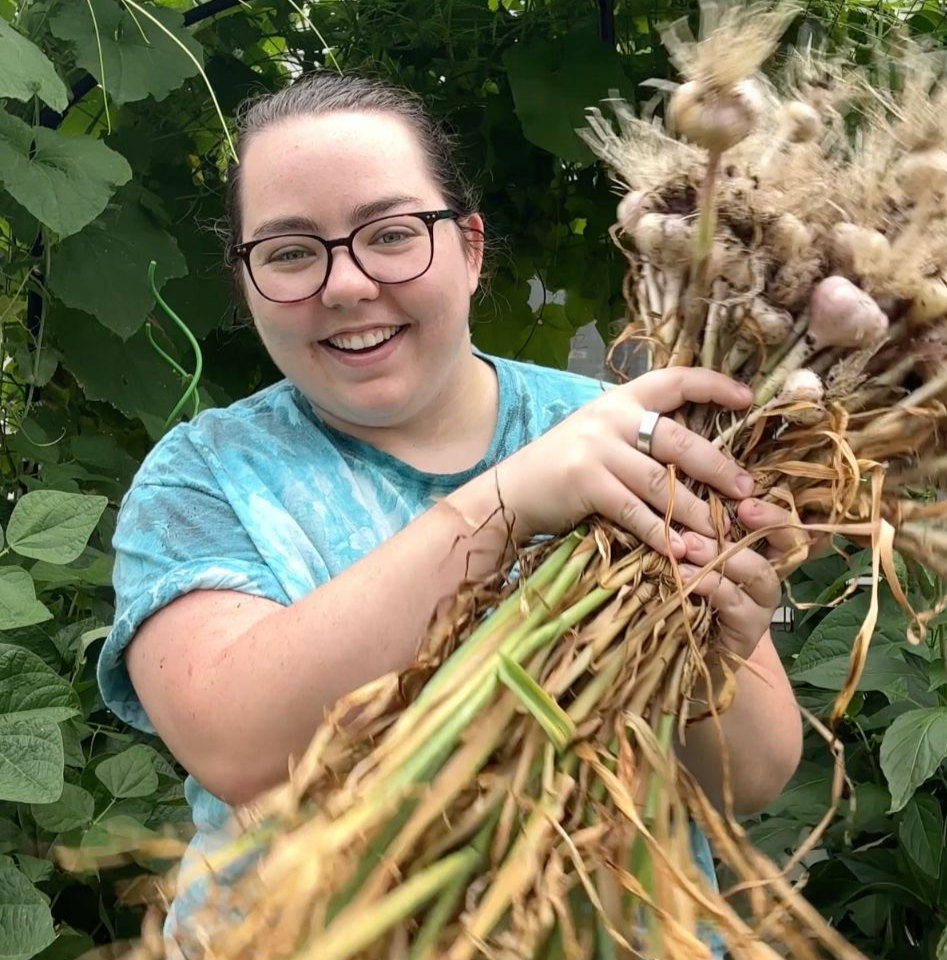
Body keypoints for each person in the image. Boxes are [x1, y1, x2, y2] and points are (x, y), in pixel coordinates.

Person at [96, 73, 806, 957]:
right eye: (288, 253)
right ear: (244, 285)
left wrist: (714, 662)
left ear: (470, 249)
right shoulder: (203, 477)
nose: (347, 286)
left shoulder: (626, 434)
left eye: (392, 234)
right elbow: (235, 742)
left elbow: (756, 777)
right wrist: (506, 503)